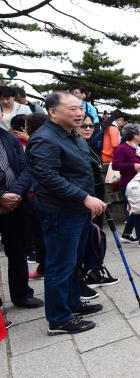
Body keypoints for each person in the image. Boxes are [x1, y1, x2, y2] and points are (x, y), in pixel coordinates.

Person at [26, 92, 106, 335]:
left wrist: (89, 201)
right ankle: (59, 318)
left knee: (72, 262)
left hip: (79, 210)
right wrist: (85, 198)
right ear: (52, 112)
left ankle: (71, 304)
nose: (79, 113)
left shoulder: (73, 135)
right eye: (72, 109)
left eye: (80, 108)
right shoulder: (44, 139)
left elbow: (81, 172)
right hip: (61, 212)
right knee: (60, 264)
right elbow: (48, 178)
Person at [0, 125, 44, 309]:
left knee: (17, 250)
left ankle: (21, 293)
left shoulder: (9, 139)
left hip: (15, 203)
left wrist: (14, 195)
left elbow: (26, 168)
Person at [76, 115, 119, 292]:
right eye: (83, 125)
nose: (88, 128)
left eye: (91, 125)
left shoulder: (87, 144)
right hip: (85, 199)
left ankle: (94, 270)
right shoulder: (75, 144)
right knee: (87, 239)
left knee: (96, 236)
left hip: (96, 196)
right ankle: (85, 276)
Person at [112, 123, 140, 248]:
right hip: (129, 185)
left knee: (135, 210)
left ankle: (127, 234)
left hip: (138, 183)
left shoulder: (137, 148)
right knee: (137, 210)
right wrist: (133, 166)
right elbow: (115, 165)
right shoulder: (122, 148)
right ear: (135, 135)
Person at [24, 113, 50, 281]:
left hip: (37, 195)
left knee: (40, 234)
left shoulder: (37, 142)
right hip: (40, 194)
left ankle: (44, 266)